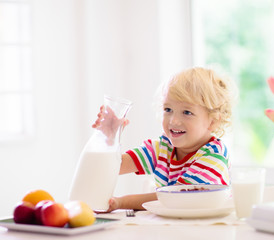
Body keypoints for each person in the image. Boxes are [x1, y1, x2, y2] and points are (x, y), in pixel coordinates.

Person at [92, 67, 236, 212]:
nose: (174, 121)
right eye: (168, 110)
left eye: (187, 112)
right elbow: (113, 167)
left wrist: (121, 202)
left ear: (213, 121)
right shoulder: (163, 148)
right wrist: (110, 137)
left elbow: (175, 198)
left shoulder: (214, 156)